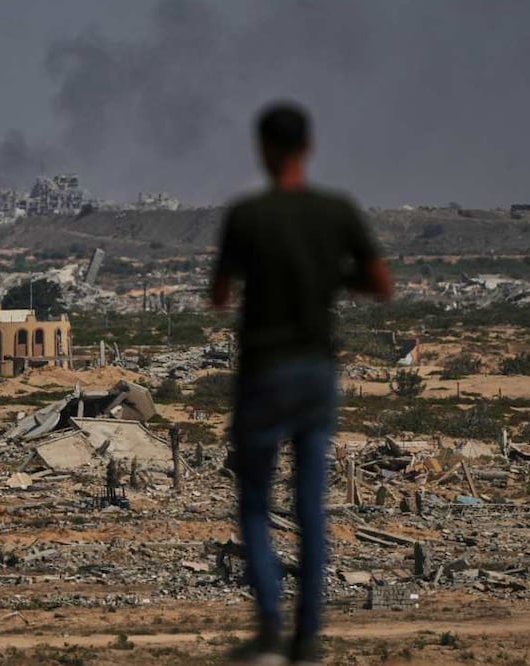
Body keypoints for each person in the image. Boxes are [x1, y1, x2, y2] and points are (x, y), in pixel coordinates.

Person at [211, 102, 392, 665]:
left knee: (256, 503)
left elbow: (218, 294)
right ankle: (307, 637)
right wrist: (329, 276)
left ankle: (269, 627)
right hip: (316, 371)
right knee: (311, 504)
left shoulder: (247, 216)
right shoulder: (336, 212)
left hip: (264, 371)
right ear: (308, 147)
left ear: (261, 149)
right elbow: (380, 283)